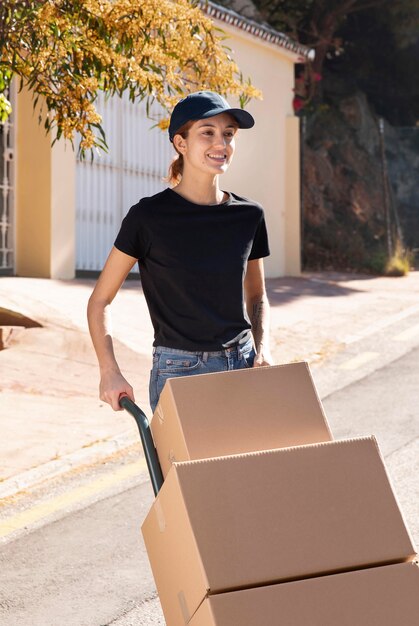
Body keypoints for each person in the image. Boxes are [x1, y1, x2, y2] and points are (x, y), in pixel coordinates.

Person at [87, 90, 273, 413]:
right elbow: (99, 300)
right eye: (208, 133)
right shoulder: (148, 218)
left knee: (246, 465)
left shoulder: (249, 215)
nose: (221, 144)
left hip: (243, 364)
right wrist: (109, 371)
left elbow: (256, 296)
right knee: (186, 467)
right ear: (181, 143)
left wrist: (264, 348)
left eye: (228, 134)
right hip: (180, 371)